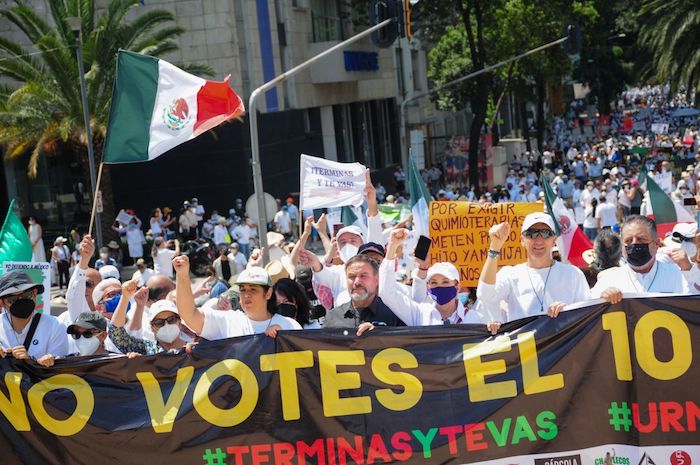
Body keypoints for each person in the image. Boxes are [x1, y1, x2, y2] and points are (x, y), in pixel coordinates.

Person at [476, 212, 591, 329]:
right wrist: (494, 248)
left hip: (563, 346)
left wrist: (568, 312)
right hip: (525, 346)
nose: (539, 239)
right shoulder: (510, 275)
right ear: (522, 240)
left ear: (554, 240)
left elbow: (588, 316)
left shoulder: (573, 274)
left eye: (546, 233)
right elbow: (484, 295)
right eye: (532, 234)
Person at [175, 256, 301, 339]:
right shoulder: (228, 321)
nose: (246, 295)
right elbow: (189, 315)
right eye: (242, 290)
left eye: (253, 289)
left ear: (268, 293)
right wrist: (182, 275)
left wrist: (285, 337)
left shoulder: (289, 325)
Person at [379, 229, 487, 325]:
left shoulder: (474, 318)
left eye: (445, 282)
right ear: (428, 288)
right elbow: (387, 293)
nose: (439, 286)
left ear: (457, 287)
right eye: (434, 283)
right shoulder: (420, 314)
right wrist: (393, 246)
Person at [592, 215, 690, 300]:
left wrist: (689, 269)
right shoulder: (609, 281)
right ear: (622, 246)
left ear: (656, 244)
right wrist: (602, 299)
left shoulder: (677, 275)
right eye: (628, 240)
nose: (634, 243)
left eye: (641, 239)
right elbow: (587, 310)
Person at [0, 270, 69, 366]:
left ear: (35, 293)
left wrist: (32, 362)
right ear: (2, 303)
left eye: (26, 295)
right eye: (12, 300)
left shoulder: (56, 326)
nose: (21, 302)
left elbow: (60, 373)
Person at [323, 254, 405, 333]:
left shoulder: (395, 314)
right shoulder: (333, 317)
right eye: (352, 276)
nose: (357, 282)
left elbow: (409, 343)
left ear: (376, 280)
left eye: (363, 276)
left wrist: (378, 335)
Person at [110, 279, 188, 355]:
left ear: (179, 321)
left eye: (171, 320)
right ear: (152, 327)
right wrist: (125, 297)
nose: (166, 325)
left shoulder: (194, 348)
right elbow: (117, 335)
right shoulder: (147, 349)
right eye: (159, 323)